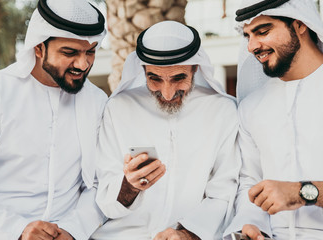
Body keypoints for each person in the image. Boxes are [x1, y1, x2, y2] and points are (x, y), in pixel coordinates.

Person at [0, 0, 107, 239]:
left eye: (90, 51)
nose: (83, 64)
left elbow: (99, 182)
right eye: (69, 52)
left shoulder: (97, 101)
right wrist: (16, 229)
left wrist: (74, 229)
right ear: (39, 48)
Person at [91, 20, 240, 240]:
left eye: (179, 78)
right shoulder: (119, 108)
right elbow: (104, 196)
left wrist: (188, 233)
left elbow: (224, 190)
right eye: (155, 79)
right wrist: (130, 186)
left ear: (195, 68)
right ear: (142, 70)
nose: (167, 93)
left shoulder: (222, 110)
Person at [224, 0, 323, 239]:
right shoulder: (251, 106)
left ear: (300, 24)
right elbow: (250, 181)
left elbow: (294, 193)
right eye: (247, 35)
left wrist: (303, 192)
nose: (252, 46)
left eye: (263, 31)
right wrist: (249, 225)